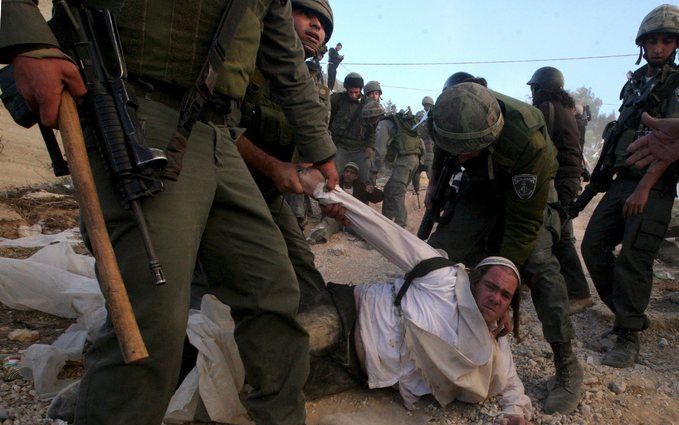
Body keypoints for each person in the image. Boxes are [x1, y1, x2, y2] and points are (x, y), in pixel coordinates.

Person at [0, 1, 340, 424]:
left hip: (217, 131)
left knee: (273, 291)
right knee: (154, 314)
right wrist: (29, 41)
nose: (316, 29)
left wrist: (322, 152)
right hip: (142, 112)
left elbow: (286, 63)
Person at [297, 170, 531, 423]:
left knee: (279, 388)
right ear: (476, 281)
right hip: (347, 317)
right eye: (491, 287)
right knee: (278, 348)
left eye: (505, 295)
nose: (496, 298)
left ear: (510, 305)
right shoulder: (443, 276)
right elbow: (386, 233)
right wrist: (322, 190)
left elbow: (511, 384)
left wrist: (515, 413)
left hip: (358, 372)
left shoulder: (493, 342)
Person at [425, 83, 583, 414]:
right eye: (457, 147)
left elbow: (523, 226)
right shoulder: (446, 114)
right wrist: (437, 178)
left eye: (468, 147)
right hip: (481, 185)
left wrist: (505, 289)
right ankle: (437, 336)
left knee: (539, 263)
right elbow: (444, 148)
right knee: (439, 256)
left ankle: (567, 362)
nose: (461, 155)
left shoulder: (529, 142)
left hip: (526, 191)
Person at [581, 4, 679, 369]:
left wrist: (644, 189)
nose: (658, 48)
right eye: (652, 41)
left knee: (634, 259)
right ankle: (626, 314)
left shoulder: (676, 84)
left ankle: (629, 335)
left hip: (655, 182)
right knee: (593, 246)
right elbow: (621, 134)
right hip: (624, 180)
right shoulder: (636, 82)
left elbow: (668, 145)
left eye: (667, 41)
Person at [527, 66, 592, 314]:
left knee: (560, 237)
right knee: (559, 235)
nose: (532, 93)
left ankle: (579, 293)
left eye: (534, 88)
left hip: (560, 182)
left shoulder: (546, 109)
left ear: (541, 88)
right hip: (567, 181)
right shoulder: (563, 109)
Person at [307, 161, 383, 244]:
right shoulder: (335, 184)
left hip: (353, 219)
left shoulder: (361, 187)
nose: (348, 174)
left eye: (351, 172)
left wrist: (372, 190)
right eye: (346, 171)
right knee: (326, 224)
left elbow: (379, 198)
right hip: (337, 217)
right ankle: (314, 237)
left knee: (367, 229)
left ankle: (375, 241)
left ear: (356, 176)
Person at [380, 108, 423, 227]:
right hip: (414, 160)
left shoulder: (384, 123)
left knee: (396, 193)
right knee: (389, 190)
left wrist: (374, 171)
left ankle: (400, 227)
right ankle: (386, 223)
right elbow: (420, 148)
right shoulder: (407, 127)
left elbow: (380, 150)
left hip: (404, 161)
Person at [330, 72, 375, 183]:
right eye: (351, 92)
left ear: (360, 90)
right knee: (333, 177)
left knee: (366, 179)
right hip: (341, 146)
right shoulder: (337, 100)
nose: (354, 95)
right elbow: (328, 118)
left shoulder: (369, 104)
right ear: (346, 89)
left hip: (361, 149)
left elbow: (373, 129)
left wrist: (370, 146)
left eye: (356, 92)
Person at [412, 96, 435, 195]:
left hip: (425, 148)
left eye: (428, 105)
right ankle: (418, 190)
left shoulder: (424, 116)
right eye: (426, 105)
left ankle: (420, 190)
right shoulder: (430, 116)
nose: (427, 107)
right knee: (420, 170)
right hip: (424, 148)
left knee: (426, 170)